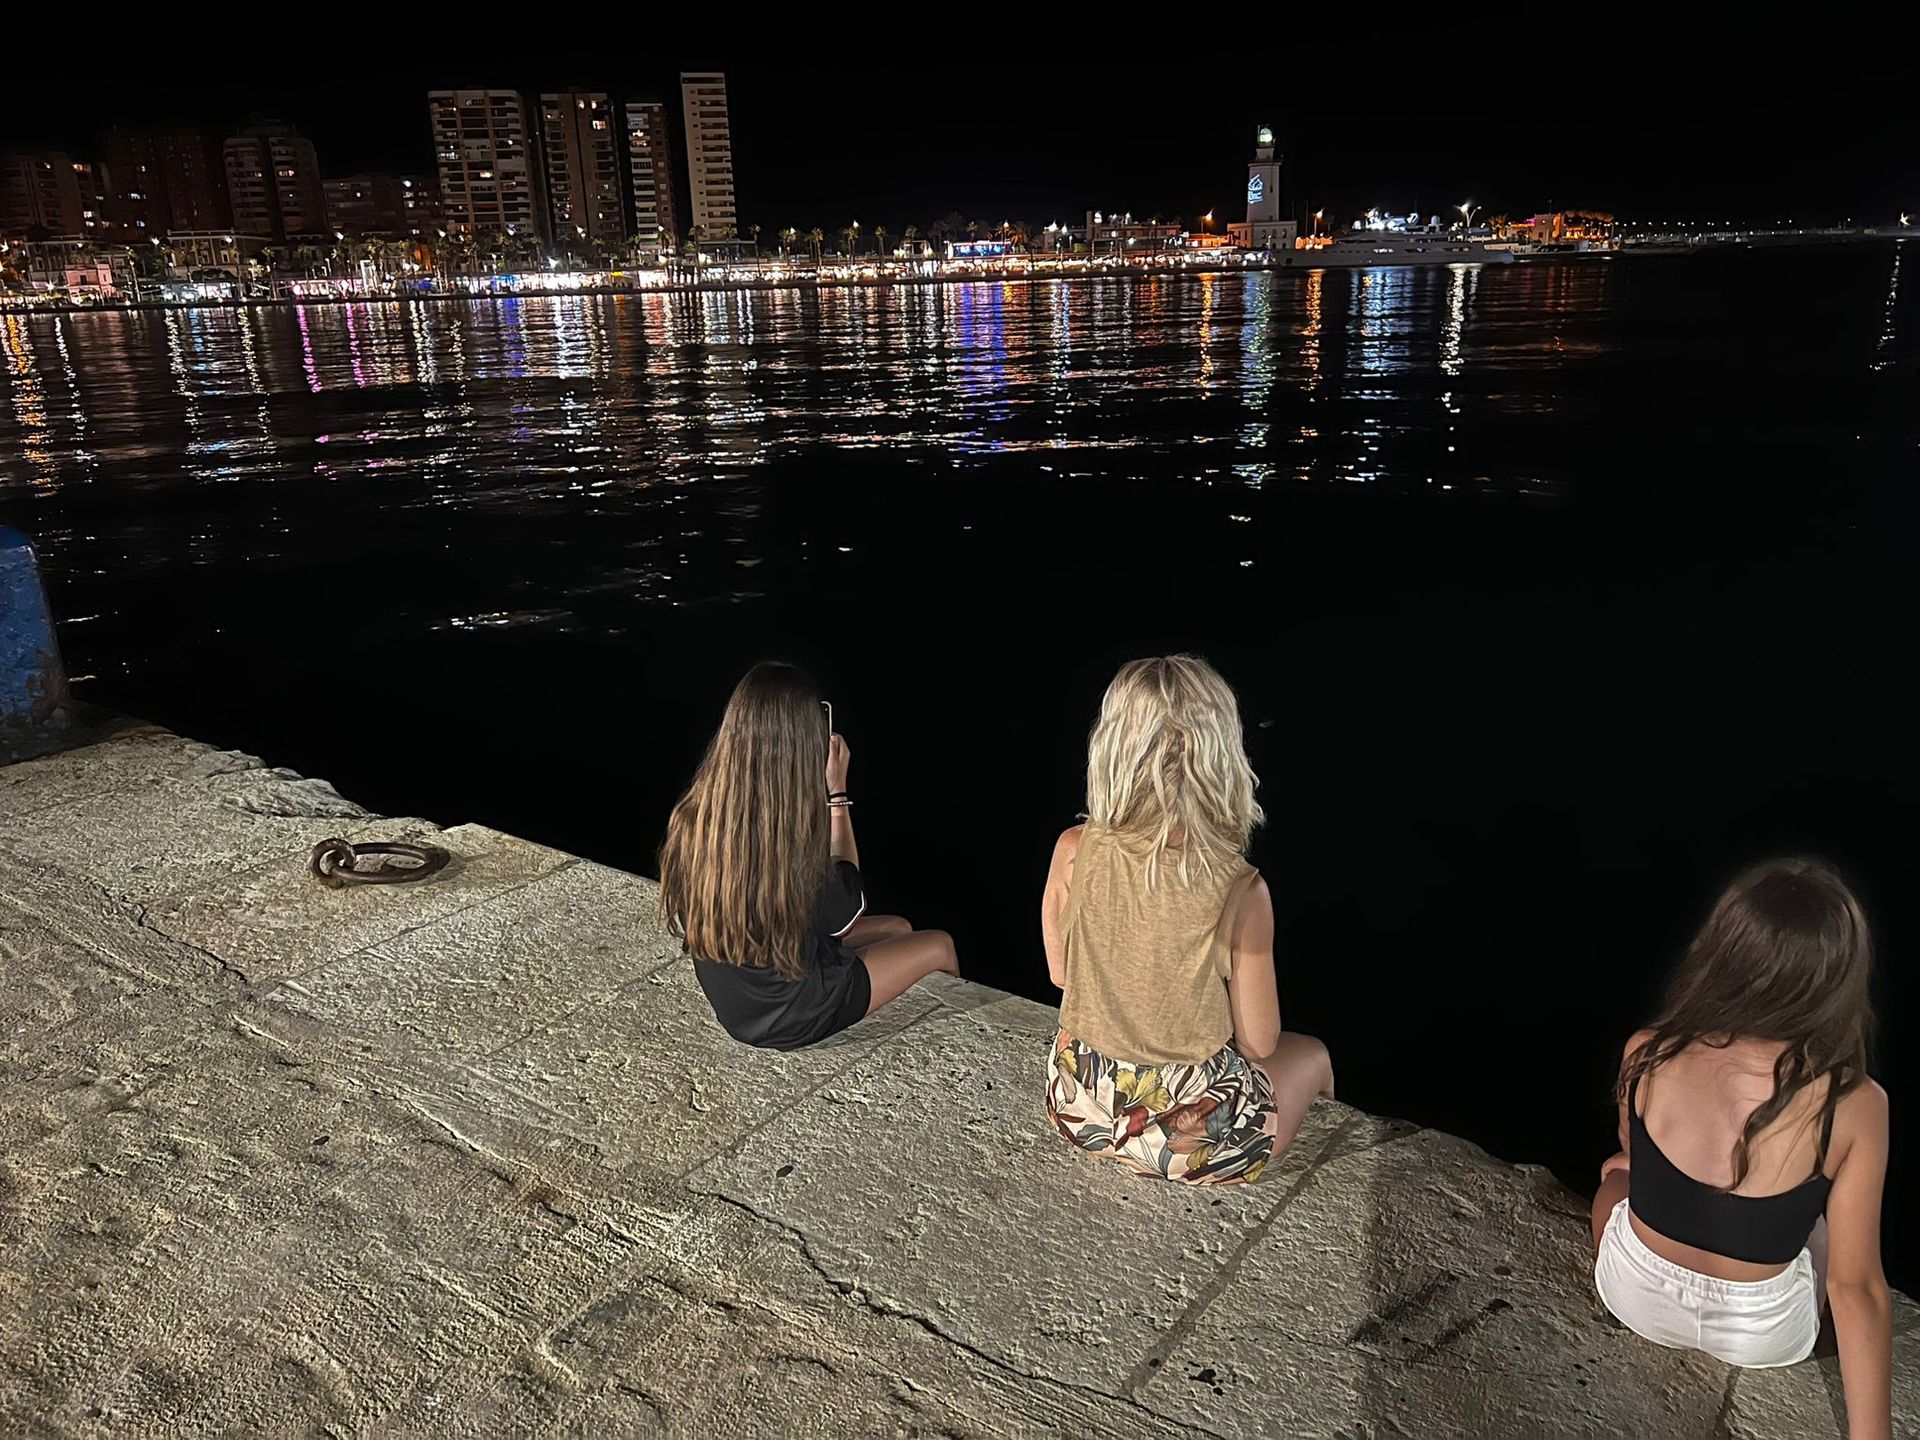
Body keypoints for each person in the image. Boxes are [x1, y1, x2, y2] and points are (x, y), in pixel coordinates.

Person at [1592, 859, 1891, 1440]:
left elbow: (1633, 1150)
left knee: (1614, 1177)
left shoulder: (1647, 1050)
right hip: (1763, 1336)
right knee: (1823, 1231)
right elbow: (1856, 1288)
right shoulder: (1855, 1103)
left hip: (1635, 1298)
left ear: (1722, 954)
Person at [1041, 655, 1334, 1184]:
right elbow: (1258, 1043)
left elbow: (1062, 975)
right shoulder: (1241, 889)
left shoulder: (1073, 850)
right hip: (1189, 1141)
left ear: (1111, 749)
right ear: (1221, 757)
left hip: (1077, 1105)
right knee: (1312, 1056)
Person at [659, 662, 957, 1050]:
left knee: (899, 927)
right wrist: (837, 795)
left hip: (741, 997)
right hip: (790, 1010)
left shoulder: (696, 815)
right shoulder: (783, 841)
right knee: (939, 945)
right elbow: (847, 912)